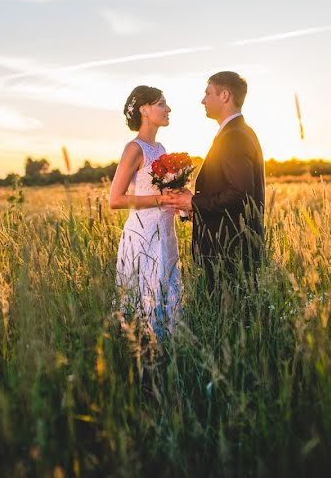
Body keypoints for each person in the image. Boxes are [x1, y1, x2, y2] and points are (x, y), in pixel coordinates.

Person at [161, 71, 265, 291]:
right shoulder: (237, 131)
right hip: (228, 247)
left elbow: (240, 195)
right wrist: (193, 210)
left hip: (231, 250)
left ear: (225, 95)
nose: (203, 100)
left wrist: (193, 203)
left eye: (208, 93)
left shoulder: (234, 136)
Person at [109, 85, 181, 339]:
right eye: (162, 103)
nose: (168, 109)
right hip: (143, 235)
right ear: (144, 110)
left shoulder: (160, 148)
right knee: (145, 300)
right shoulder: (134, 148)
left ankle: (167, 355)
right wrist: (161, 199)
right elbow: (115, 199)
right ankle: (145, 356)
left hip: (166, 234)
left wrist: (178, 201)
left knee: (167, 295)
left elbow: (166, 190)